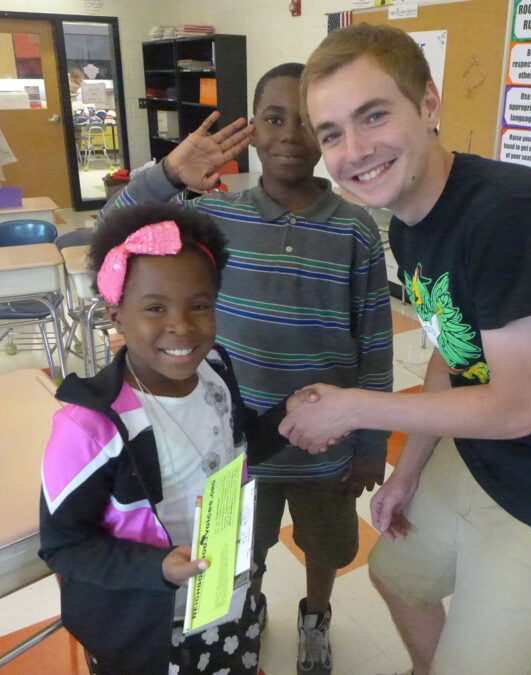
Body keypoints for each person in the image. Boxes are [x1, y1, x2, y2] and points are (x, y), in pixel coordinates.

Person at [280, 24, 531, 675]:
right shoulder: (414, 219)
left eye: (373, 115)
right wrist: (409, 469)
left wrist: (354, 410)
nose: (355, 150)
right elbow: (453, 347)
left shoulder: (510, 218)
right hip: (486, 458)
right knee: (397, 574)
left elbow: (515, 408)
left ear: (428, 105)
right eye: (332, 133)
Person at [100, 62, 394, 675]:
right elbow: (110, 237)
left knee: (327, 546)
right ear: (253, 132)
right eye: (273, 119)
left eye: (307, 122)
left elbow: (375, 344)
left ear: (327, 134)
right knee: (239, 553)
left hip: (327, 443)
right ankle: (245, 612)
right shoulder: (216, 215)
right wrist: (168, 175)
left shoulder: (356, 230)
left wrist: (371, 443)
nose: (289, 134)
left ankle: (317, 615)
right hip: (232, 445)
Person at [38, 201, 310, 675]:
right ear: (116, 315)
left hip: (225, 594)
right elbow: (64, 546)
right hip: (145, 625)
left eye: (199, 306)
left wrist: (290, 417)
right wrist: (157, 568)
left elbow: (231, 450)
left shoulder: (216, 371)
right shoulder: (91, 427)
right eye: (155, 308)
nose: (181, 326)